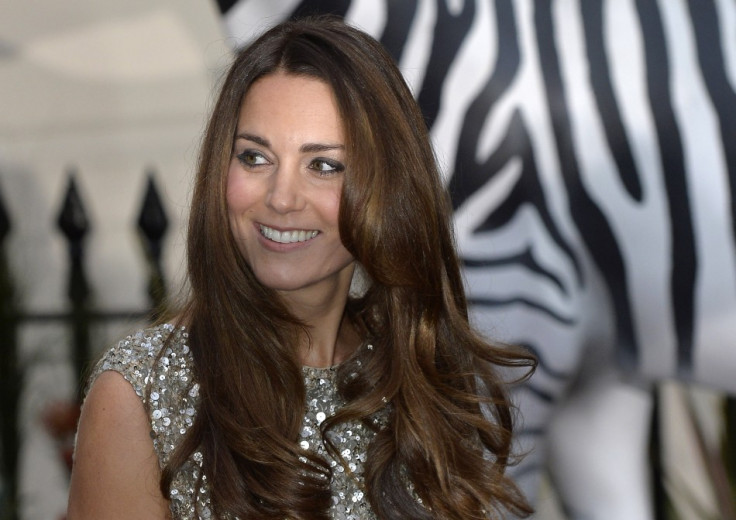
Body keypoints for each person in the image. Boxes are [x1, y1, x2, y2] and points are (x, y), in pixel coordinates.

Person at [67, 15, 536, 520]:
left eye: (324, 165)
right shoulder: (142, 392)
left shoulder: (420, 380)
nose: (282, 198)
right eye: (254, 157)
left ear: (386, 189)